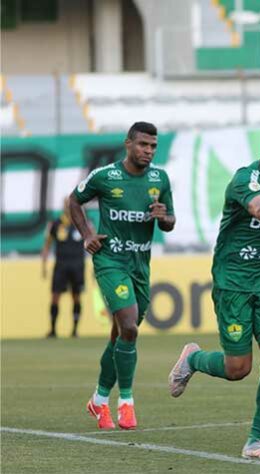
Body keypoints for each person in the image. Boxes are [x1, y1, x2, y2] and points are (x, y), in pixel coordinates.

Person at [168, 122, 260, 460]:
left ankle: (256, 442)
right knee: (238, 369)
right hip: (233, 282)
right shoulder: (244, 180)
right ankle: (192, 358)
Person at [70, 121, 175, 430]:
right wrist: (88, 233)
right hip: (111, 260)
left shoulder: (160, 178)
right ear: (128, 144)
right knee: (129, 327)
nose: (149, 151)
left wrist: (163, 217)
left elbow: (170, 221)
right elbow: (74, 200)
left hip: (140, 264)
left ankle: (98, 400)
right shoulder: (106, 176)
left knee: (120, 336)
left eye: (153, 146)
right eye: (143, 144)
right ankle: (126, 402)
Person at [41, 197, 86, 338]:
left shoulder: (82, 223)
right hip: (60, 265)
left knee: (76, 296)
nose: (68, 206)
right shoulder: (55, 224)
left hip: (78, 264)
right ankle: (53, 330)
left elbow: (91, 242)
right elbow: (47, 245)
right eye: (66, 204)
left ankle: (74, 330)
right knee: (55, 296)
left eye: (70, 204)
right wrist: (43, 265)